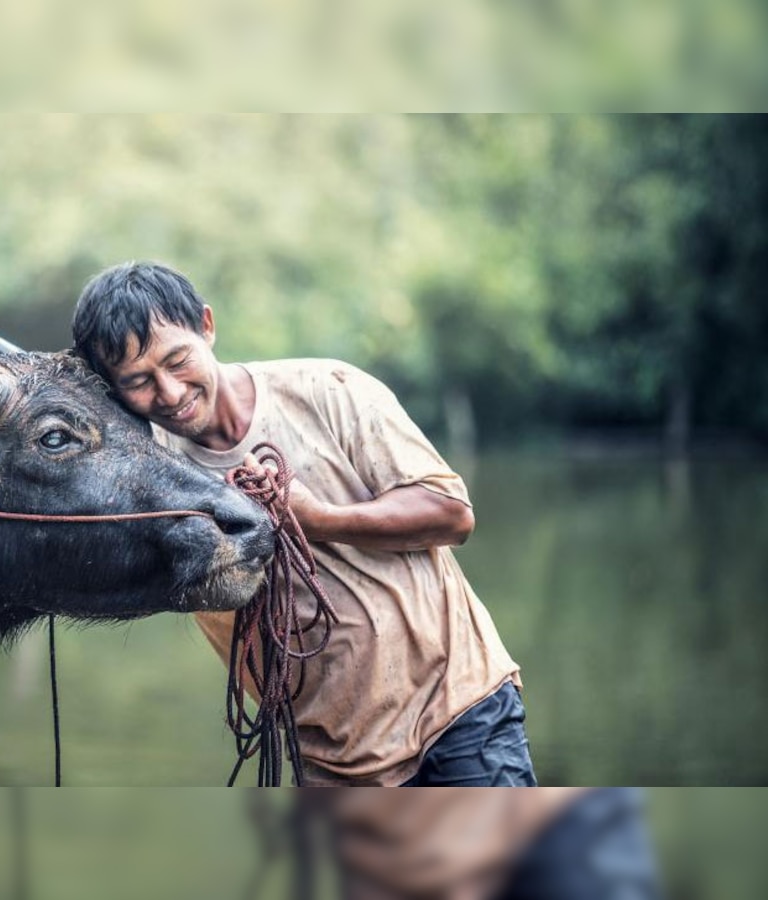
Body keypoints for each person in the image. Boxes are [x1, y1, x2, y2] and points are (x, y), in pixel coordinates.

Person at [72, 260, 534, 787]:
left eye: (177, 361)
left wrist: (322, 520)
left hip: (455, 710)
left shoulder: (329, 389)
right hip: (330, 757)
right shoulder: (150, 476)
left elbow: (451, 514)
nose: (171, 393)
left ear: (207, 325)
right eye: (138, 382)